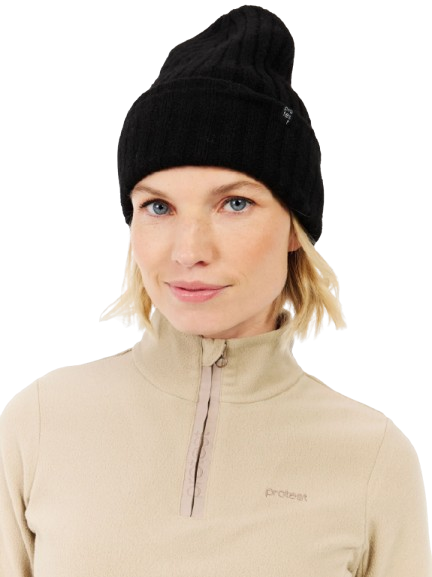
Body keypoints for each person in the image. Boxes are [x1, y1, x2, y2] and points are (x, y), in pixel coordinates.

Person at [1, 5, 430, 576]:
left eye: (235, 203)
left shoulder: (373, 456)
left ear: (295, 230)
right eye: (158, 207)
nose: (189, 251)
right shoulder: (37, 421)